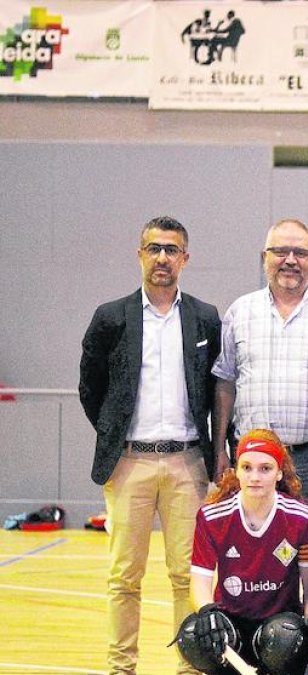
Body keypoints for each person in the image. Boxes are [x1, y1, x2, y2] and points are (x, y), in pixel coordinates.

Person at [79, 215, 222, 675]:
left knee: (188, 576)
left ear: (186, 258)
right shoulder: (110, 317)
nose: (163, 257)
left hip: (187, 464)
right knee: (125, 577)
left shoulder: (204, 317)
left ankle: (189, 666)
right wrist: (114, 435)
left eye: (172, 249)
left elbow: (216, 388)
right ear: (140, 254)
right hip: (129, 463)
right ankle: (121, 668)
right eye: (154, 248)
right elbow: (90, 388)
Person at [212, 219, 308, 515]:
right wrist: (219, 453)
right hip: (252, 459)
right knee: (253, 550)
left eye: (300, 253)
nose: (290, 260)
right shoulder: (240, 312)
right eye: (280, 251)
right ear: (265, 257)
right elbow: (225, 384)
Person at [176, 430, 308, 675]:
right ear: (236, 470)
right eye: (247, 467)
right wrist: (208, 611)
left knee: (286, 637)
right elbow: (199, 581)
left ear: (280, 472)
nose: (254, 477)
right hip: (232, 624)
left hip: (278, 627)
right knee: (192, 633)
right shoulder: (212, 516)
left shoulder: (301, 517)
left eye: (265, 468)